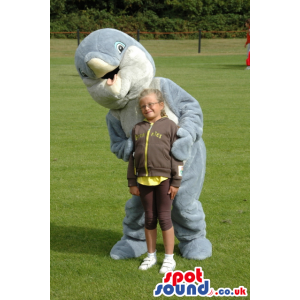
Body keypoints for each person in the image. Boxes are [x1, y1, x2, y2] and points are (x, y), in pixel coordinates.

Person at [127, 88, 183, 274]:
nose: (147, 108)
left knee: (165, 217)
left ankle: (169, 259)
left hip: (165, 180)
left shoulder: (170, 127)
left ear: (161, 105)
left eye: (151, 104)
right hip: (143, 180)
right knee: (149, 218)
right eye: (143, 106)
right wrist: (132, 181)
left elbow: (178, 156)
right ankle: (151, 256)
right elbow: (132, 157)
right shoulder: (138, 128)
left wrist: (176, 181)